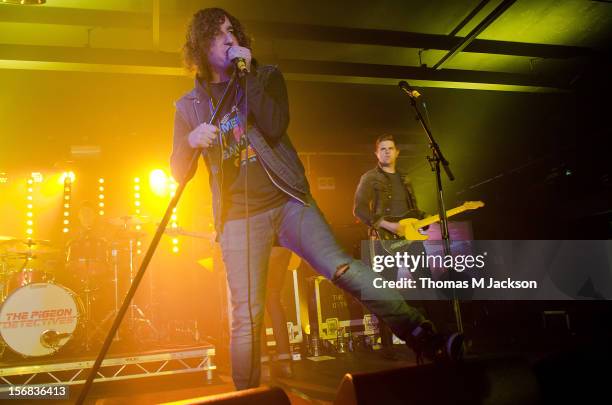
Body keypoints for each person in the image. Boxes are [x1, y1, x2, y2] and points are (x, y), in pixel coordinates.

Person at [170, 8, 462, 390]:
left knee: (341, 268)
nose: (229, 39)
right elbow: (179, 171)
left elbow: (274, 125)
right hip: (239, 217)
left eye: (232, 31)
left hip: (288, 200)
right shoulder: (188, 106)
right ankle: (245, 397)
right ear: (199, 43)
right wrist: (191, 142)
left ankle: (427, 338)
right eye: (218, 33)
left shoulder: (266, 76)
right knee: (246, 315)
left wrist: (248, 77)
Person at [353, 134, 430, 356]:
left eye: (390, 148)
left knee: (425, 283)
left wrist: (421, 221)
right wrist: (387, 225)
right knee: (387, 291)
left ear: (397, 152)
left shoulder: (406, 178)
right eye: (382, 149)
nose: (387, 151)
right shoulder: (369, 178)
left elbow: (412, 210)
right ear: (377, 154)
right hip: (384, 241)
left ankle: (432, 334)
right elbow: (359, 209)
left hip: (410, 239)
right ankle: (387, 345)